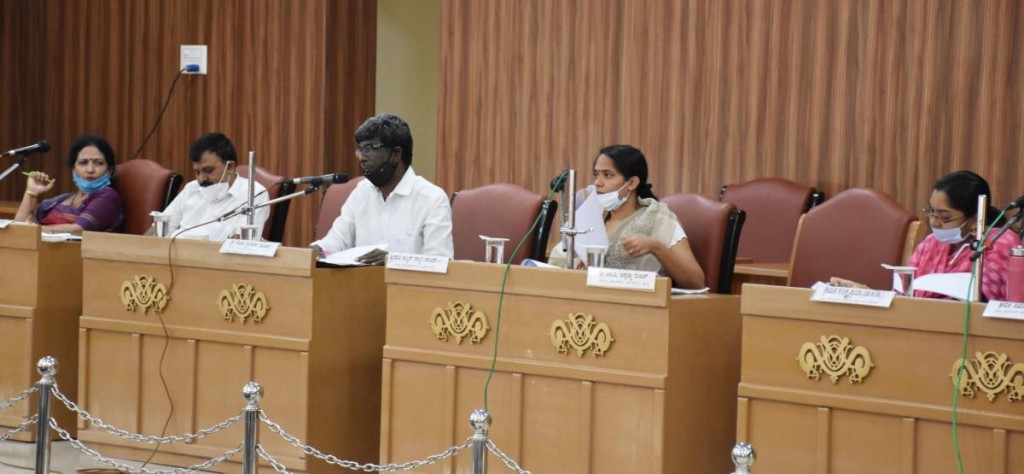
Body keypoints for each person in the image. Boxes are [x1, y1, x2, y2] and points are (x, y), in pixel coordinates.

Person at [831, 170, 1021, 301]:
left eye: (944, 217)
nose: (934, 222)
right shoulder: (931, 243)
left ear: (974, 219)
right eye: (931, 213)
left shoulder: (1000, 243)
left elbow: (984, 305)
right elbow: (905, 300)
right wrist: (865, 294)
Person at [548, 145, 705, 289]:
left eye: (608, 175)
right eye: (596, 174)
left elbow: (696, 282)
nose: (597, 183)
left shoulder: (659, 219)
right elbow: (559, 263)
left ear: (632, 183)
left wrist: (656, 247)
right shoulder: (591, 217)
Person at [311, 114, 453, 264]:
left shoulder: (431, 199)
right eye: (360, 150)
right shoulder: (361, 192)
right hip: (361, 285)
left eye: (369, 149)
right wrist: (318, 249)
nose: (361, 157)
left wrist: (394, 261)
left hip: (406, 286)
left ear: (396, 154)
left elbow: (440, 263)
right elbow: (338, 239)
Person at [159, 132, 269, 241]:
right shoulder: (192, 188)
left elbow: (239, 246)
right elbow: (159, 230)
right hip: (176, 255)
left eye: (208, 171)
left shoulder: (253, 195)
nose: (202, 178)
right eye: (197, 172)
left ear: (230, 167)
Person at [14, 135, 123, 234]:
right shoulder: (60, 200)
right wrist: (31, 192)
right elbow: (19, 227)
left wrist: (35, 230)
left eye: (98, 163)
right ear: (73, 170)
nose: (90, 169)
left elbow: (78, 230)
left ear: (109, 170)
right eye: (83, 163)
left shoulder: (108, 197)